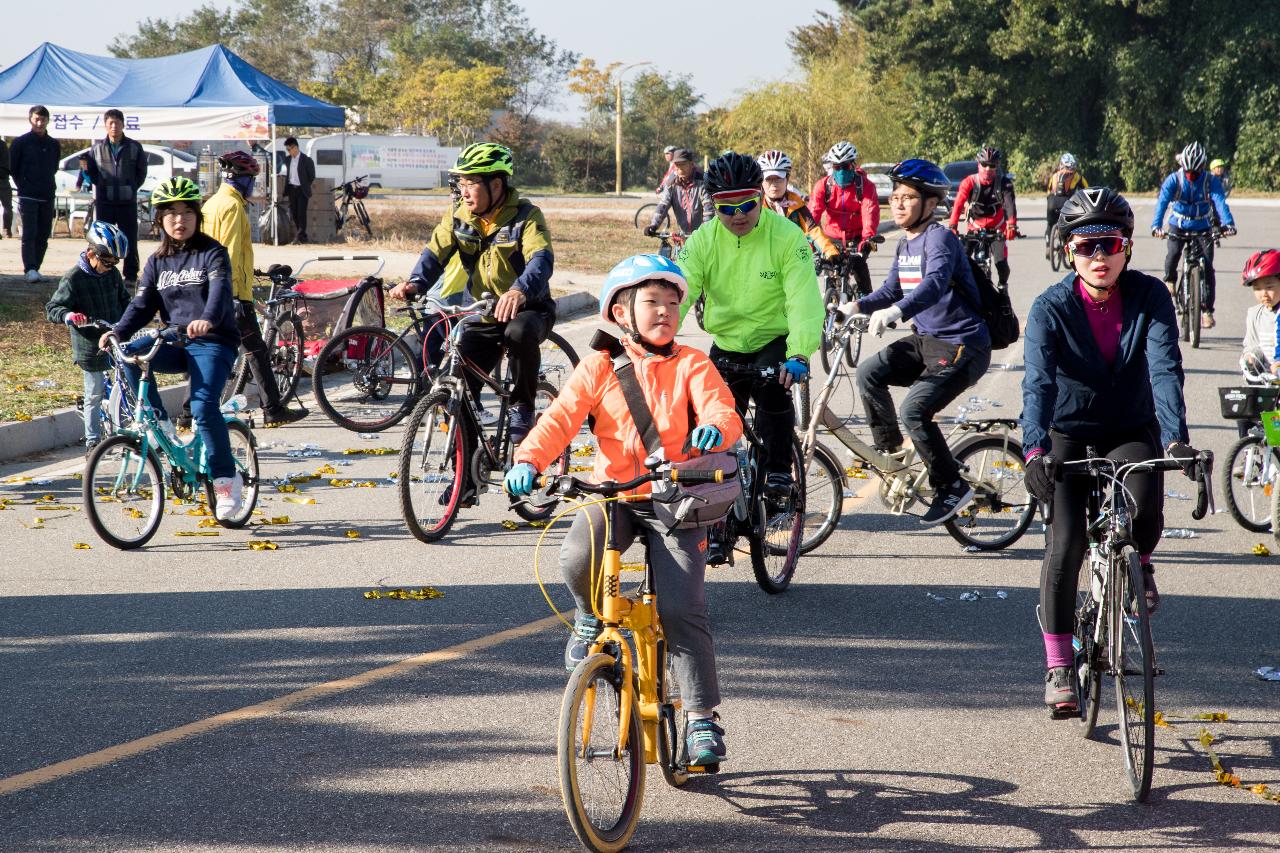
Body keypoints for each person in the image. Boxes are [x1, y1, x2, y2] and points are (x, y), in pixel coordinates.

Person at [504, 253, 743, 765]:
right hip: (615, 494)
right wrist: (529, 459)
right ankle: (589, 617)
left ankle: (702, 719)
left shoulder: (692, 364)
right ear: (620, 311)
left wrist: (716, 429)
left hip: (677, 498)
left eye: (673, 304)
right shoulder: (597, 367)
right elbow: (559, 420)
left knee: (682, 609)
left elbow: (724, 409)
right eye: (652, 303)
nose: (664, 313)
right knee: (574, 556)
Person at [1021, 187, 1196, 714]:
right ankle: (1058, 665)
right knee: (1067, 541)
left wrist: (1176, 438)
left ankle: (1138, 561)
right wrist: (1034, 450)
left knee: (1145, 508)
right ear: (1068, 251)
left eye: (1110, 244)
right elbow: (1037, 384)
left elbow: (1165, 369)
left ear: (1128, 247)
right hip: (1068, 431)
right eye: (1085, 246)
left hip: (1129, 426)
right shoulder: (1049, 307)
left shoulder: (1150, 295)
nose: (1099, 257)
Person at [676, 151, 823, 561]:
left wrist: (799, 353)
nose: (738, 215)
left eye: (747, 204)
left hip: (775, 338)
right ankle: (718, 515)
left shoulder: (788, 237)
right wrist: (657, 339)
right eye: (727, 208)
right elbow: (679, 293)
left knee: (775, 393)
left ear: (761, 196)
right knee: (715, 423)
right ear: (714, 207)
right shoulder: (703, 240)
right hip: (727, 341)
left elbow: (803, 300)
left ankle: (778, 470)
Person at [389, 142, 555, 501]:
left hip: (529, 307)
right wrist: (415, 283)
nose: (464, 190)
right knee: (458, 384)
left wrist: (520, 291)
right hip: (483, 311)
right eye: (460, 182)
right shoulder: (458, 216)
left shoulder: (526, 215)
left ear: (497, 184)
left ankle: (523, 407)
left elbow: (541, 260)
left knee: (518, 331)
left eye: (472, 182)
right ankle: (465, 478)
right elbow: (434, 254)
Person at [852, 159, 992, 525]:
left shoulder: (940, 238)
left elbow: (934, 284)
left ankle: (951, 487)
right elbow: (891, 289)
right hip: (928, 341)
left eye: (907, 198)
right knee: (868, 372)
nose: (897, 203)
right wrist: (853, 307)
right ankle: (894, 454)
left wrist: (896, 312)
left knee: (914, 410)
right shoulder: (906, 243)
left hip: (963, 345)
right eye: (894, 196)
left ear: (930, 204)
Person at [101, 177, 244, 521]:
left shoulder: (212, 252)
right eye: (171, 213)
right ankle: (160, 424)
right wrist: (117, 332)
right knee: (128, 355)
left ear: (197, 215)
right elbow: (142, 305)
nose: (180, 220)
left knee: (203, 407)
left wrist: (207, 320)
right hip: (174, 340)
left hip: (213, 341)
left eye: (186, 212)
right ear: (160, 219)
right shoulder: (156, 261)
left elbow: (221, 294)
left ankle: (226, 481)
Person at [201, 150, 306, 426]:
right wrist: (236, 296)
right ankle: (273, 409)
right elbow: (231, 253)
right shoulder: (233, 207)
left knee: (206, 353)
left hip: (209, 290)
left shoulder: (211, 203)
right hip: (231, 294)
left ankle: (189, 415)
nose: (253, 187)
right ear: (242, 180)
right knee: (256, 351)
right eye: (252, 180)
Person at [45, 222, 132, 455]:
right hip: (90, 347)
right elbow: (53, 308)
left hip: (114, 340)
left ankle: (122, 432)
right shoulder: (74, 278)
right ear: (92, 253)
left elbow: (124, 300)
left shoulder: (112, 275)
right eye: (107, 261)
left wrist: (131, 318)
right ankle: (93, 441)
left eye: (116, 262)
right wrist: (70, 315)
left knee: (124, 385)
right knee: (94, 392)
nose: (112, 266)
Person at [1151, 141, 1236, 329]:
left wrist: (1228, 223)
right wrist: (1156, 225)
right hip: (1178, 224)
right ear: (1183, 167)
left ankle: (1207, 311)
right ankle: (1170, 280)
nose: (1191, 177)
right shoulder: (1174, 180)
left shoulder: (1210, 181)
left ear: (1202, 168)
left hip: (1202, 226)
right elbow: (1162, 202)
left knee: (1207, 267)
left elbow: (1220, 202)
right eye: (1188, 173)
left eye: (1195, 173)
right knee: (1173, 253)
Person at [81, 109, 148, 282]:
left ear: (123, 124)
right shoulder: (96, 148)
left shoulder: (134, 147)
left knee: (130, 239)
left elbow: (141, 172)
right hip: (105, 202)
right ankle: (104, 272)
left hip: (127, 202)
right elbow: (91, 172)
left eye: (117, 123)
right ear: (105, 125)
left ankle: (131, 274)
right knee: (104, 240)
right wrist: (101, 185)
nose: (114, 126)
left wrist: (131, 187)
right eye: (110, 123)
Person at [809, 140, 880, 297]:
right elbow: (811, 217)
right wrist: (810, 241)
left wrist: (867, 238)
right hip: (831, 236)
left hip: (856, 237)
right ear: (832, 167)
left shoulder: (865, 186)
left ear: (853, 165)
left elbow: (869, 212)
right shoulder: (823, 186)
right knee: (828, 270)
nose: (841, 171)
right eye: (837, 167)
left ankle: (867, 302)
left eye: (845, 166)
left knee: (859, 267)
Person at [947, 145, 1019, 290]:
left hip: (997, 227)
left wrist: (1011, 225)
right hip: (975, 226)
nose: (987, 169)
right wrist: (952, 226)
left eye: (992, 166)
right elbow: (958, 204)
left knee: (1001, 264)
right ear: (979, 164)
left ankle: (1002, 287)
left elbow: (1010, 205)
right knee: (961, 259)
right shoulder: (969, 182)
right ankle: (959, 289)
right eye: (984, 165)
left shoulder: (1004, 184)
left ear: (997, 166)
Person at [756, 149, 838, 264]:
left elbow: (813, 231)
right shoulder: (755, 206)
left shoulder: (796, 204)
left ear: (787, 179)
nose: (774, 184)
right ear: (761, 182)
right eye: (768, 179)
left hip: (793, 261)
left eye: (779, 178)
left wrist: (830, 252)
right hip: (763, 262)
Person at [10, 106, 61, 282]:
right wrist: (24, 185)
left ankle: (36, 267)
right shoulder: (20, 142)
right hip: (27, 195)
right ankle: (29, 268)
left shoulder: (54, 144)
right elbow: (13, 168)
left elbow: (54, 167)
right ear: (30, 120)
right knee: (29, 233)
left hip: (47, 194)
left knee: (43, 234)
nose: (39, 123)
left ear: (48, 120)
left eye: (43, 119)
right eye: (36, 119)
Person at [644, 148, 713, 239]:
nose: (679, 168)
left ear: (691, 164)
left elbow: (708, 210)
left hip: (702, 235)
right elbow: (663, 205)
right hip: (683, 234)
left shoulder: (702, 182)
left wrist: (705, 231)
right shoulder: (671, 183)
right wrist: (653, 225)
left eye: (683, 164)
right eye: (676, 165)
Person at [1045, 153, 1087, 238]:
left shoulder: (1054, 176)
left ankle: (1048, 244)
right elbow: (1087, 190)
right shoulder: (1077, 176)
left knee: (1050, 224)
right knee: (1072, 226)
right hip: (1068, 204)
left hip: (1052, 203)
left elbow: (1048, 193)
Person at [281, 137, 315, 243]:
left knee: (301, 213)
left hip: (302, 190)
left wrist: (304, 184)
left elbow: (312, 176)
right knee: (294, 213)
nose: (289, 151)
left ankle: (300, 237)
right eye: (287, 150)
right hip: (292, 189)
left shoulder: (307, 160)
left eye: (289, 149)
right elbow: (284, 173)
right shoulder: (287, 160)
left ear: (295, 147)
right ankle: (302, 236)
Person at [0, 136, 13, 239]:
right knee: (7, 206)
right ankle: (6, 230)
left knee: (7, 207)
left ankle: (6, 229)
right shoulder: (3, 145)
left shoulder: (2, 145)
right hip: (3, 179)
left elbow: (6, 165)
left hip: (3, 180)